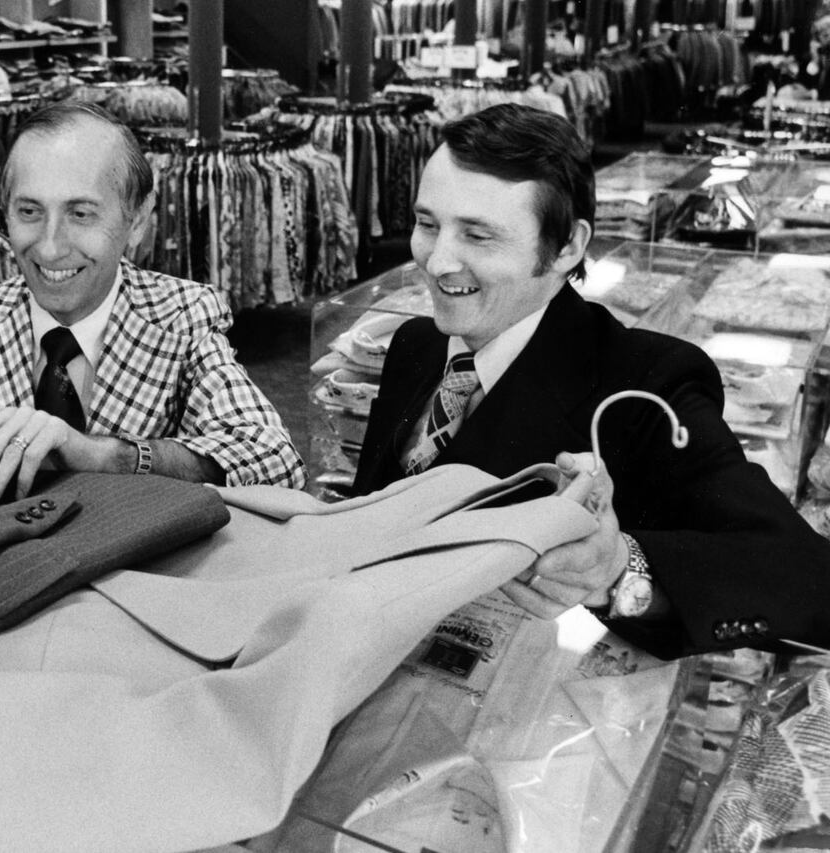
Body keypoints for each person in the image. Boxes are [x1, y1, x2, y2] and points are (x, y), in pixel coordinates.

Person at [353, 103, 830, 658]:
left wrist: (620, 568)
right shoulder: (416, 345)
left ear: (568, 247)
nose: (436, 262)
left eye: (478, 237)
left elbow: (802, 574)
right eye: (427, 224)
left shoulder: (647, 386)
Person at [0, 101, 303, 508]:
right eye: (29, 211)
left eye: (80, 214)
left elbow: (275, 460)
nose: (48, 247)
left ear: (136, 221)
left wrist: (103, 456)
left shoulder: (181, 316)